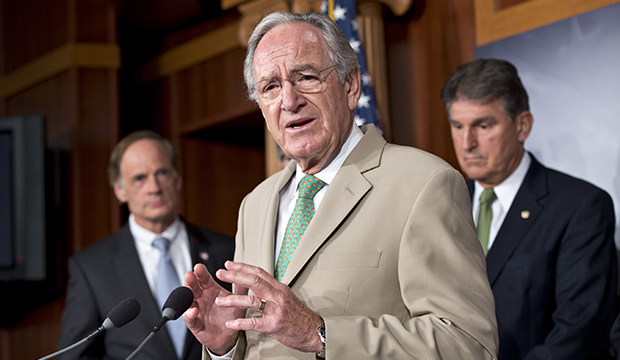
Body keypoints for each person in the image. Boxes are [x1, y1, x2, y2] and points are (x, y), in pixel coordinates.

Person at [182, 11, 498, 360]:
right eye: (271, 87)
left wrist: (320, 334)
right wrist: (223, 347)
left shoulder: (424, 183)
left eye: (305, 77)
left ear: (350, 86)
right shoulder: (255, 204)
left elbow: (468, 345)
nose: (289, 101)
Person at [441, 58, 617, 360]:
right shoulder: (443, 204)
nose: (467, 142)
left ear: (523, 126)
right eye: (458, 126)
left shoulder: (582, 206)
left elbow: (579, 333)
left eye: (483, 125)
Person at [57, 130, 235, 360]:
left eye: (161, 173)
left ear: (177, 179)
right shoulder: (91, 267)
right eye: (139, 178)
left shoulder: (226, 250)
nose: (154, 187)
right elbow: (75, 356)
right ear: (119, 190)